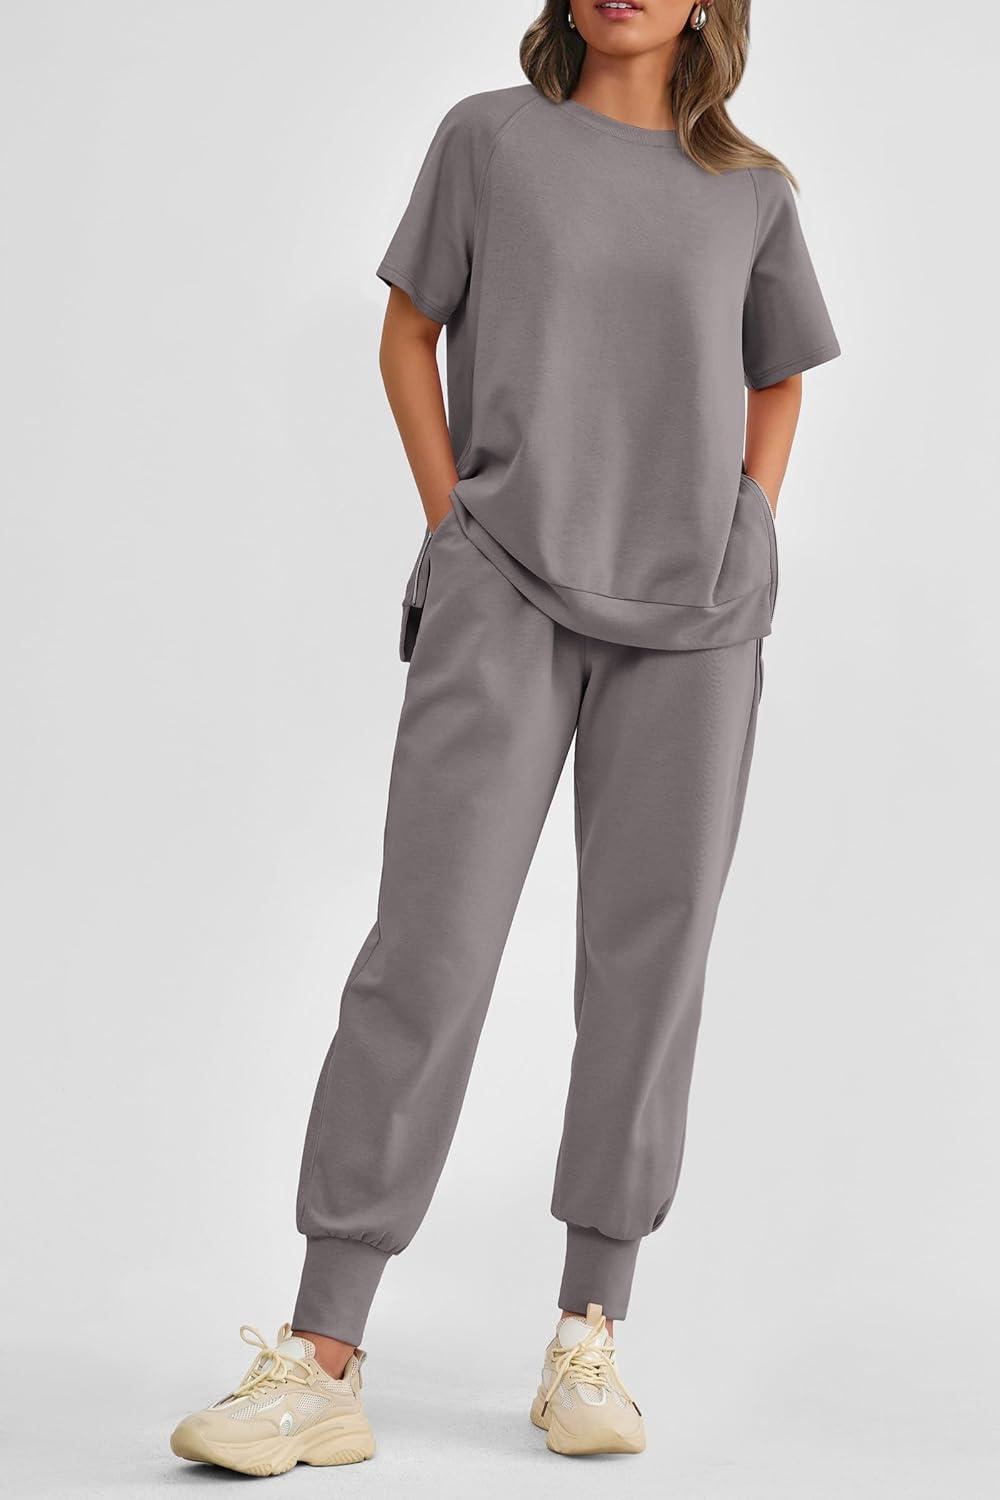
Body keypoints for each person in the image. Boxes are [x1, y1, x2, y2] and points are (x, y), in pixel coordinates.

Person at [170, 0, 839, 1473]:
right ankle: (323, 1352)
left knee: (649, 969)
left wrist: (749, 524)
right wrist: (454, 525)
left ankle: (589, 1334)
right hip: (504, 591)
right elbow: (410, 335)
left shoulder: (752, 192)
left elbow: (778, 374)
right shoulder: (489, 141)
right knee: (430, 950)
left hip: (698, 621)